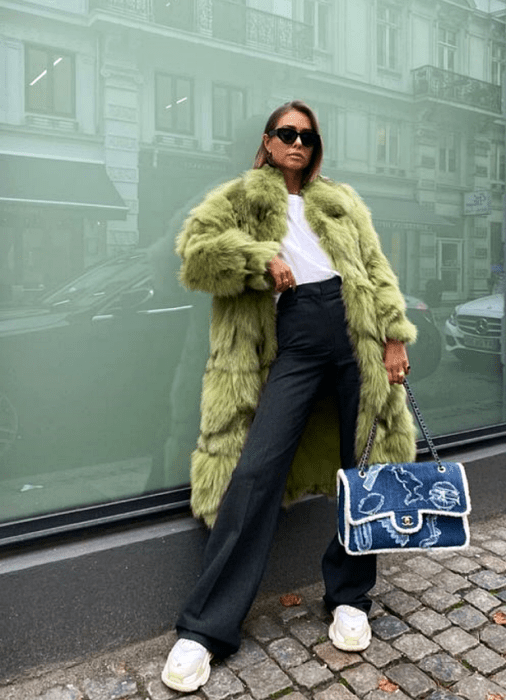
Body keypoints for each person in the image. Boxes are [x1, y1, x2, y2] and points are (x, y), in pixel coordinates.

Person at [162, 100, 417, 693]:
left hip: (357, 335)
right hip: (294, 338)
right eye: (287, 133)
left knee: (366, 472)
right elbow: (195, 256)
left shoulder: (341, 201)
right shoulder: (240, 198)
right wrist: (261, 258)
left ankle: (350, 597)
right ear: (268, 141)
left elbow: (377, 272)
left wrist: (395, 336)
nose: (297, 142)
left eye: (307, 135)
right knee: (255, 473)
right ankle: (204, 629)